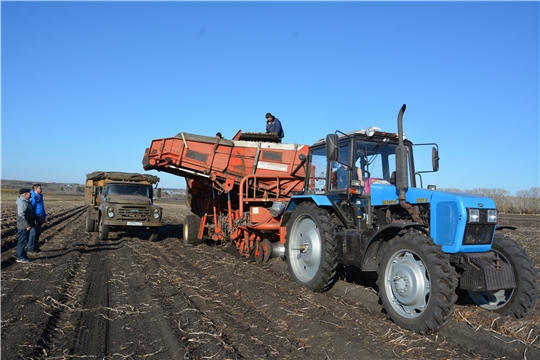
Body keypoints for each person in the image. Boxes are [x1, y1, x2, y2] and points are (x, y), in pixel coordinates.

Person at [16, 188, 36, 263]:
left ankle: (23, 255)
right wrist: (26, 225)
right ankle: (20, 257)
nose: (30, 194)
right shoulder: (22, 202)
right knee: (22, 241)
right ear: (25, 194)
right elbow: (20, 215)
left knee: (24, 241)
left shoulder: (26, 201)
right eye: (29, 193)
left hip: (25, 224)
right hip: (23, 226)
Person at [28, 183, 46, 253]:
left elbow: (42, 207)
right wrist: (33, 219)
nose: (41, 189)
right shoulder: (33, 196)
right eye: (40, 188)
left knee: (38, 233)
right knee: (33, 234)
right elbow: (31, 209)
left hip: (40, 217)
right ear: (36, 189)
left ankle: (36, 247)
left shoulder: (40, 196)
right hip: (35, 218)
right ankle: (30, 248)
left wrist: (44, 216)